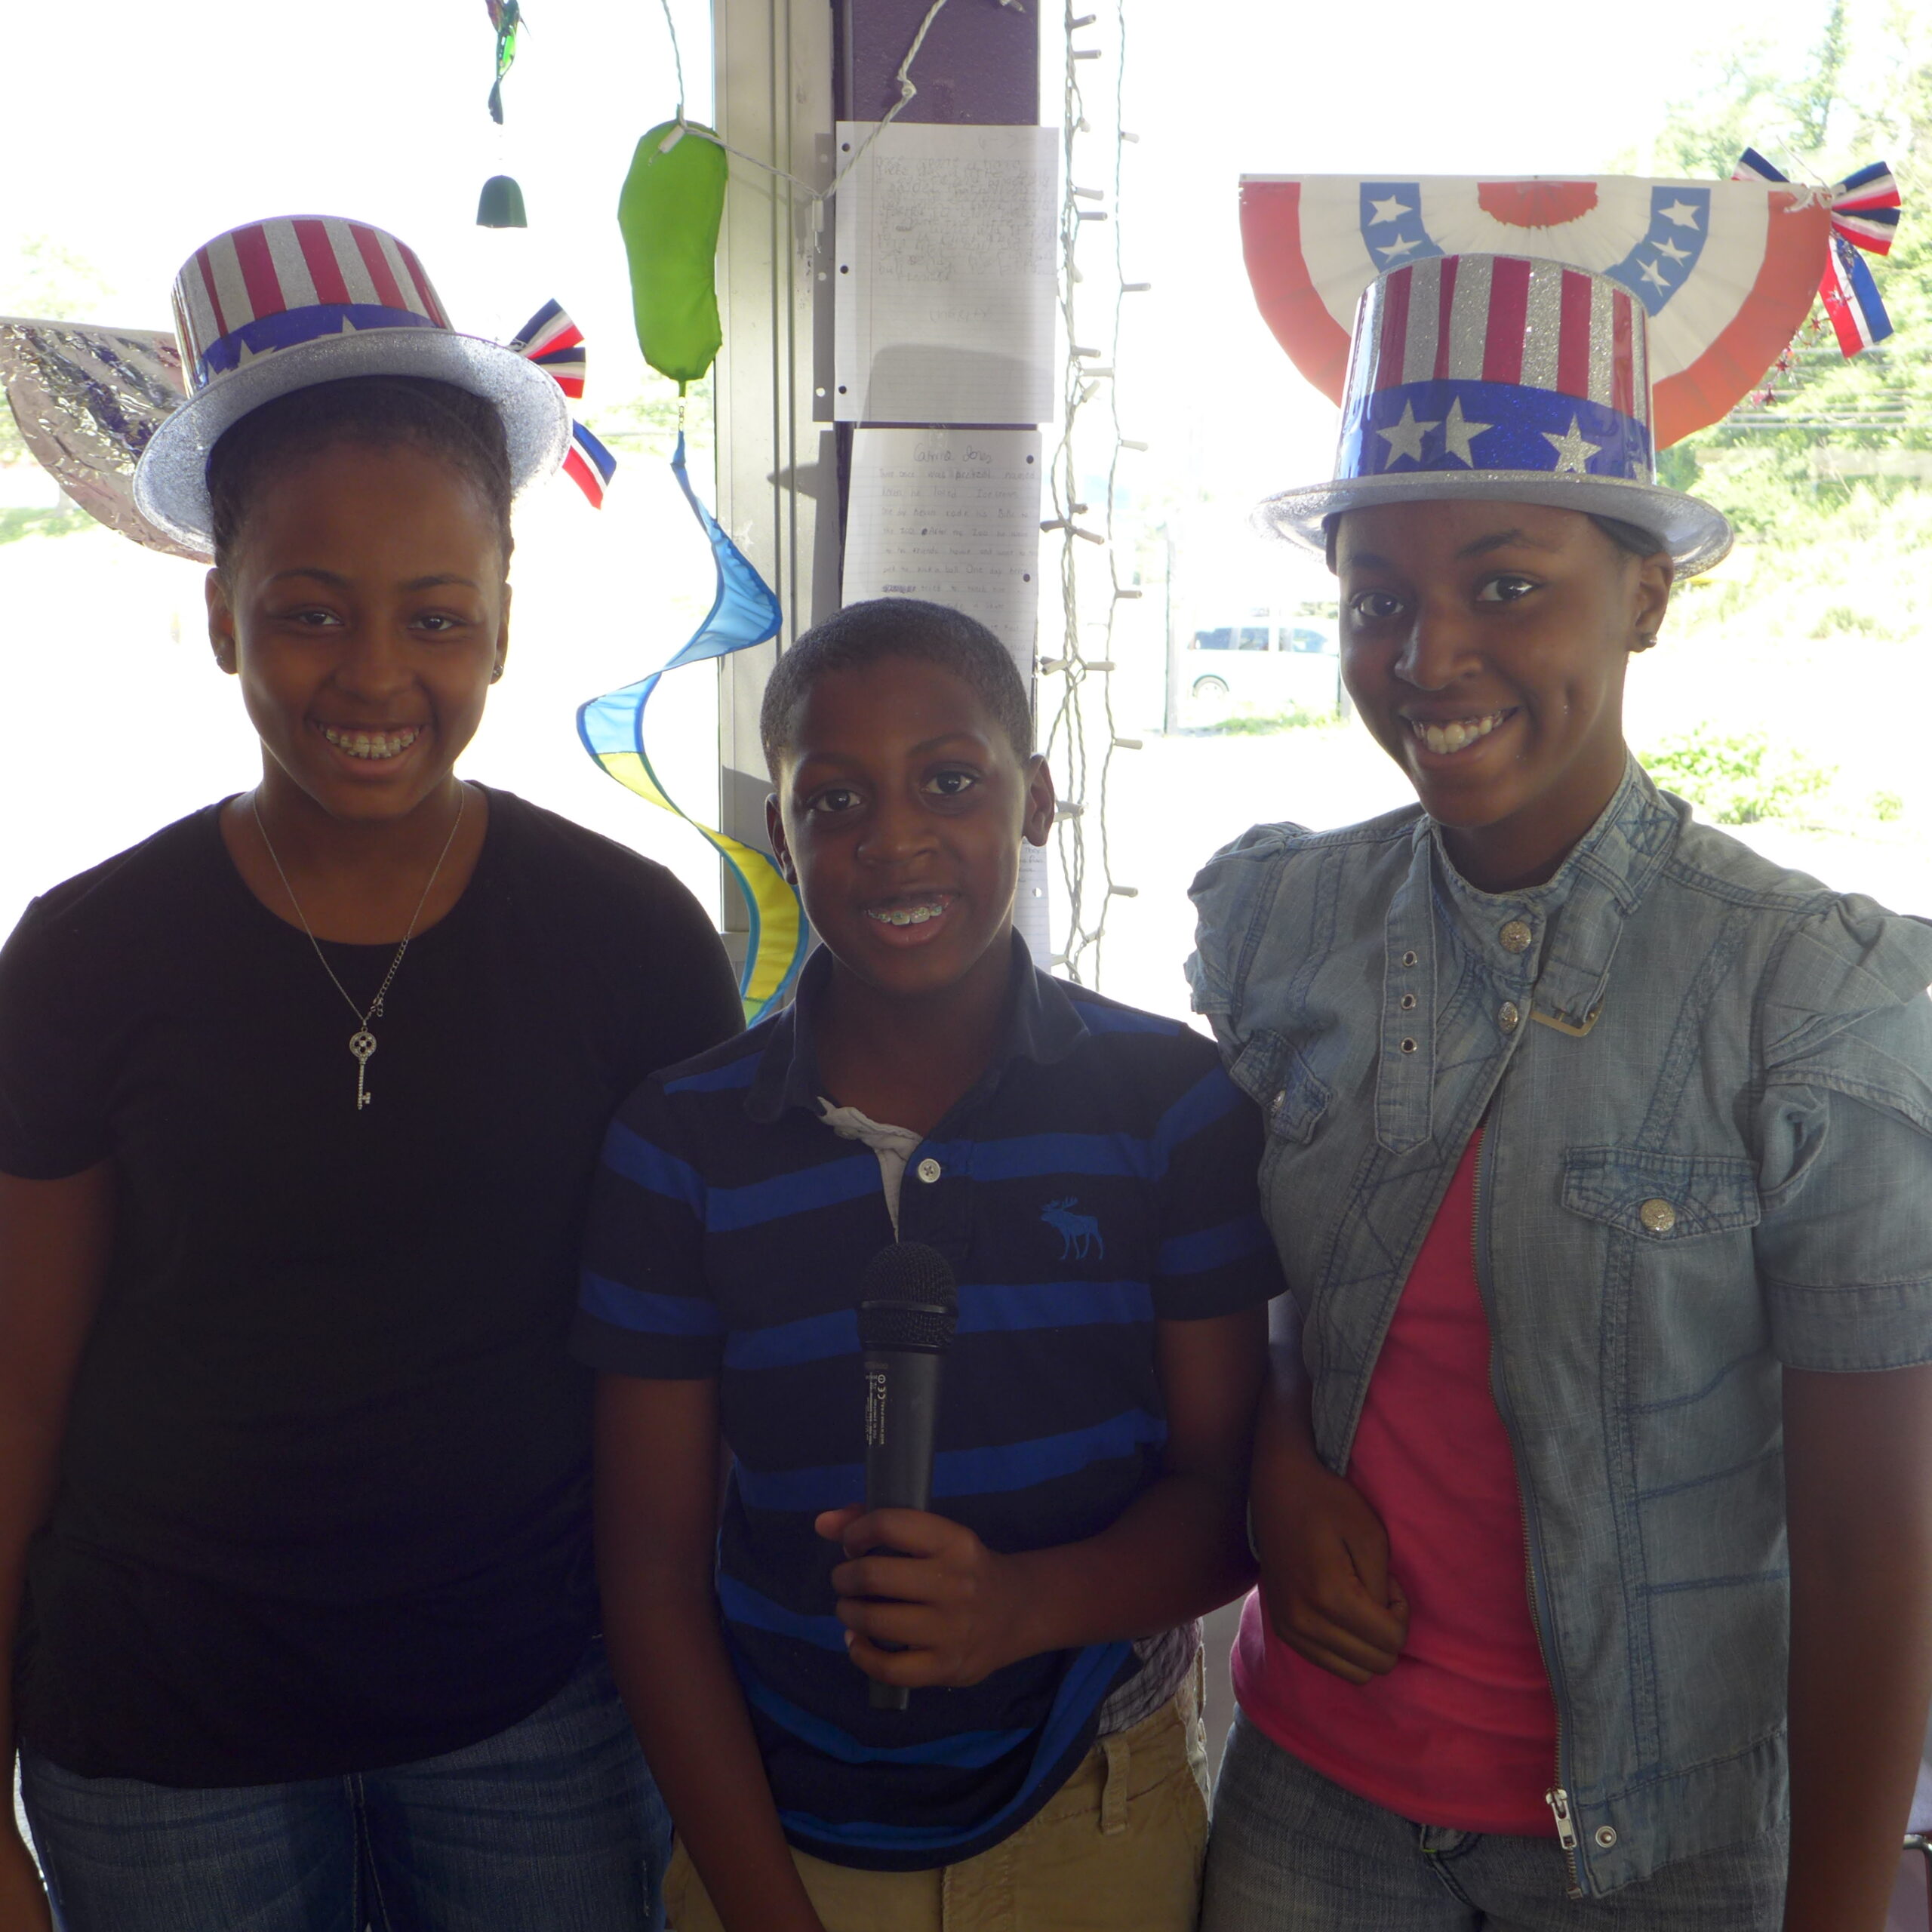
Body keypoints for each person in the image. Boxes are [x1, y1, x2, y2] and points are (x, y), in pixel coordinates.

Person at [0, 217, 744, 1932]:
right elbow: (20, 1389)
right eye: (311, 614)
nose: (377, 677)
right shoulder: (88, 953)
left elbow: (699, 1379)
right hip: (157, 1728)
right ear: (219, 616)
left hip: (530, 1715)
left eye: (436, 616)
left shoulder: (632, 942)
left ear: (499, 615)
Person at [1189, 249, 1932, 1932]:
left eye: (1505, 584)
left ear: (1644, 594)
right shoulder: (1286, 924)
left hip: (1657, 1850)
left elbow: (1872, 1542)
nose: (1426, 653)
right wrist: (1274, 1472)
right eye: (1374, 596)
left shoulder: (1800, 993)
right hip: (1313, 1803)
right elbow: (1247, 1287)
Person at [571, 597, 1278, 1932]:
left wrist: (1021, 1604)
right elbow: (651, 1577)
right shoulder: (681, 1144)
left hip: (1097, 1813)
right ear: (782, 833)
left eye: (950, 781)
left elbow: (1227, 1496)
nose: (895, 836)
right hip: (772, 1834)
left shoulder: (1169, 1107)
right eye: (835, 800)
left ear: (1037, 799)